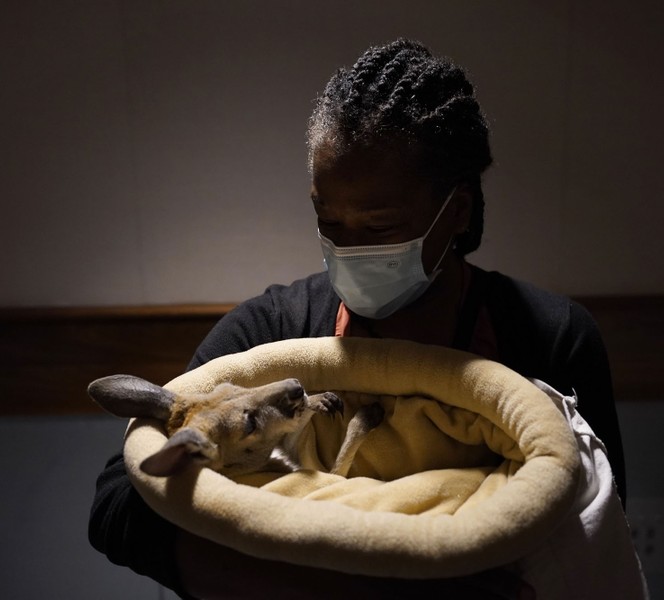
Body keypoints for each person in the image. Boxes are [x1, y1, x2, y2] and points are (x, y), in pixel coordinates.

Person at [89, 39, 626, 599]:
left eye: (378, 229)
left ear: (456, 211)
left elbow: (596, 516)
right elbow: (118, 507)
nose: (348, 250)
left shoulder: (550, 337)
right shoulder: (273, 331)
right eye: (329, 223)